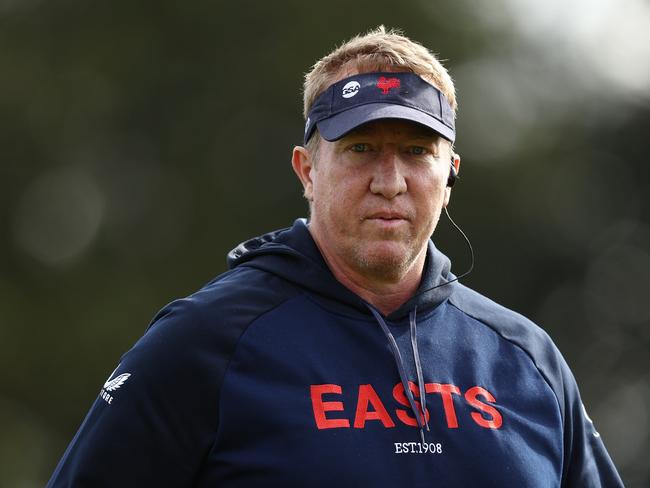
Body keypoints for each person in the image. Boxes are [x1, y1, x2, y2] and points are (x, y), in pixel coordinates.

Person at [47, 26, 624, 487]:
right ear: (308, 170)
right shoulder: (204, 344)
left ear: (449, 175)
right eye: (362, 148)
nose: (390, 181)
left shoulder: (527, 361)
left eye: (417, 151)